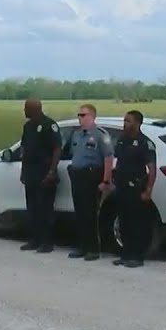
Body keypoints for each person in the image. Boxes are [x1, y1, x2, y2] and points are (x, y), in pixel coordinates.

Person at [66, 103, 114, 261]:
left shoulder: (101, 135)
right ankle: (82, 247)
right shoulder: (77, 135)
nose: (80, 118)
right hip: (78, 176)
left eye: (83, 115)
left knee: (90, 214)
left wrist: (105, 180)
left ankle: (93, 249)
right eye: (79, 115)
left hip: (92, 176)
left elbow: (108, 158)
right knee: (79, 213)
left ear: (92, 117)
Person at [111, 110, 157, 268]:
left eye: (129, 121)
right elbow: (118, 161)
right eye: (124, 120)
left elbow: (152, 168)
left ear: (138, 123)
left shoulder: (145, 142)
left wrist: (148, 190)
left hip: (137, 187)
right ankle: (126, 254)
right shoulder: (122, 140)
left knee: (137, 223)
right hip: (122, 187)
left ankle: (137, 256)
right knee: (123, 223)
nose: (125, 124)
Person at [19, 99, 62, 253]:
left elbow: (57, 149)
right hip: (31, 173)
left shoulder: (49, 125)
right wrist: (23, 172)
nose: (24, 111)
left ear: (34, 109)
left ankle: (47, 242)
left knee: (45, 209)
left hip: (44, 173)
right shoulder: (28, 126)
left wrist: (51, 171)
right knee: (32, 209)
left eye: (26, 108)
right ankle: (34, 240)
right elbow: (25, 150)